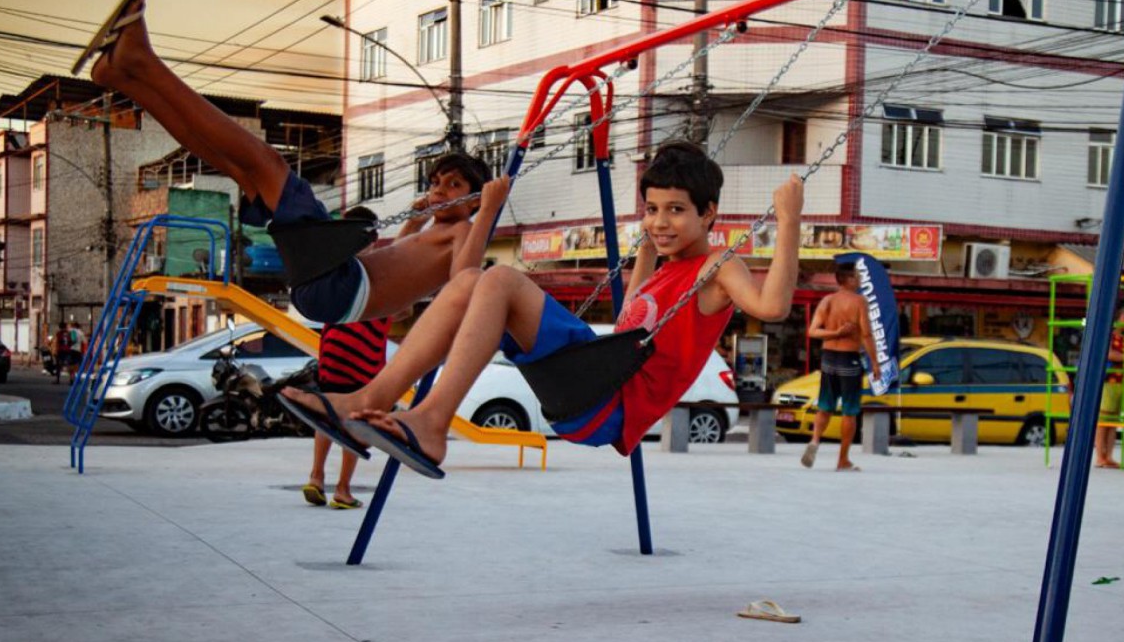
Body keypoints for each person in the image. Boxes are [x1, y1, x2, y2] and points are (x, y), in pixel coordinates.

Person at [284, 141, 803, 473]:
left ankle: (431, 423)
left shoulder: (717, 268)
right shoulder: (665, 267)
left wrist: (788, 220)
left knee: (501, 279)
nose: (660, 221)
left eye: (676, 211)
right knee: (468, 283)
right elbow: (630, 325)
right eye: (652, 209)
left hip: (607, 404)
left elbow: (774, 305)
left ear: (709, 213)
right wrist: (647, 248)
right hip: (585, 386)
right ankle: (366, 400)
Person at [76, 0, 509, 326]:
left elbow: (464, 282)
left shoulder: (466, 233)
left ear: (474, 199)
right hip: (329, 288)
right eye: (436, 181)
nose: (440, 190)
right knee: (245, 170)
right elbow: (398, 261)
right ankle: (126, 76)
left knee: (269, 163)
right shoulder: (435, 232)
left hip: (339, 286)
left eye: (454, 185)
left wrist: (487, 212)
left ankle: (142, 62)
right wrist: (415, 218)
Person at [301, 206, 395, 510]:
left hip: (333, 352)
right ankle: (342, 490)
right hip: (363, 358)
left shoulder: (337, 265)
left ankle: (316, 477)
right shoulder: (378, 267)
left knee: (327, 412)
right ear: (374, 236)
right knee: (355, 420)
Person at [800, 260, 880, 472]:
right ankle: (842, 459)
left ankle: (815, 440)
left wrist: (833, 334)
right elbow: (866, 334)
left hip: (828, 359)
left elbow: (813, 331)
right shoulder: (859, 302)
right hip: (848, 360)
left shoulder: (827, 300)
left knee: (825, 406)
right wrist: (875, 362)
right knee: (849, 411)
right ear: (847, 279)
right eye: (856, 276)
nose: (860, 279)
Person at [1095, 308, 1124, 469]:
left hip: (1122, 381)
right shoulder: (1110, 335)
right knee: (1103, 421)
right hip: (1109, 381)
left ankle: (1109, 456)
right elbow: (1109, 354)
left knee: (1113, 422)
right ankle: (1100, 456)